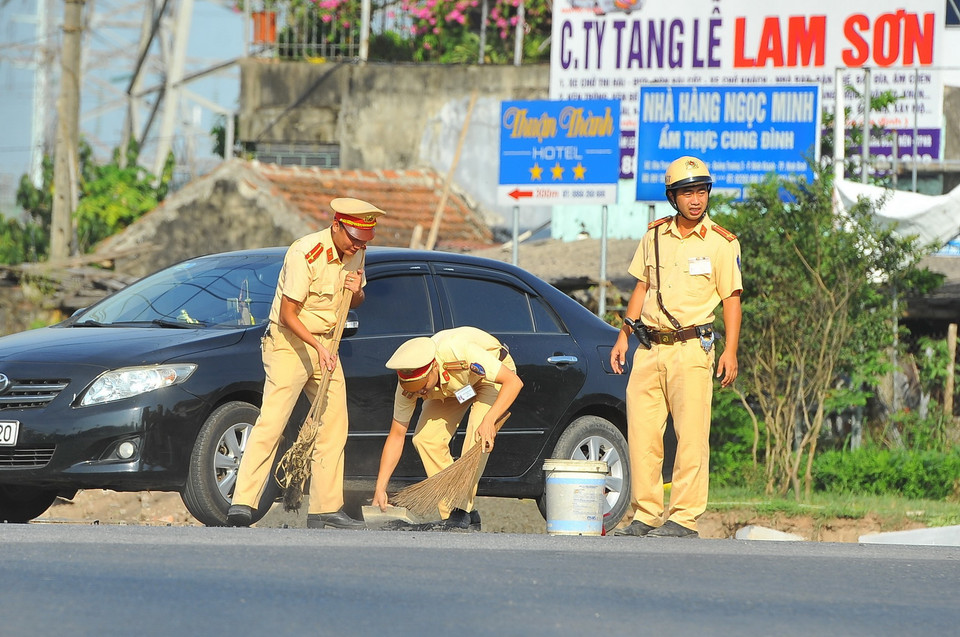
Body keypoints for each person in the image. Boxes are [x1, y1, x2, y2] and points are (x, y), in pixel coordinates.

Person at [227, 197, 386, 529]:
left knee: (334, 424)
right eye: (354, 239)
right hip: (290, 343)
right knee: (273, 421)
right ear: (336, 226)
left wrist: (357, 291)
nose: (358, 246)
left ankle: (325, 509)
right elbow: (288, 314)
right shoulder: (305, 252)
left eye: (364, 241)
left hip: (327, 343)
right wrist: (317, 347)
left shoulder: (357, 251)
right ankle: (242, 503)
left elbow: (356, 300)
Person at [610, 156, 742, 539]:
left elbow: (732, 299)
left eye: (701, 191)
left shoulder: (721, 243)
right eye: (687, 193)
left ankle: (684, 517)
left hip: (692, 349)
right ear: (673, 197)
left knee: (691, 436)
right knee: (643, 435)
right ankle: (646, 512)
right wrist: (623, 335)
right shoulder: (654, 236)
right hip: (649, 347)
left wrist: (731, 350)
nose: (695, 200)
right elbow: (641, 286)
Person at [371, 326, 523, 530]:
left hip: (493, 377)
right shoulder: (409, 385)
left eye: (423, 388)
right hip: (457, 388)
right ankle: (456, 514)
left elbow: (513, 382)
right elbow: (397, 435)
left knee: (477, 438)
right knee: (425, 440)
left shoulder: (458, 351)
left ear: (434, 367)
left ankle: (460, 511)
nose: (421, 394)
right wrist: (380, 488)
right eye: (415, 392)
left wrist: (490, 420)